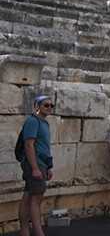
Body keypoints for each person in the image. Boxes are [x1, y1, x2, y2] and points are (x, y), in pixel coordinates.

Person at [18, 96, 54, 236]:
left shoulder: (45, 123)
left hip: (42, 163)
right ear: (37, 106)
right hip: (35, 163)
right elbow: (29, 145)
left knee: (28, 196)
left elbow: (44, 147)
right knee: (37, 198)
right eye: (46, 105)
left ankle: (24, 231)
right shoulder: (33, 121)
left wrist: (49, 167)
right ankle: (39, 233)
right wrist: (35, 168)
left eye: (52, 105)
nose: (49, 107)